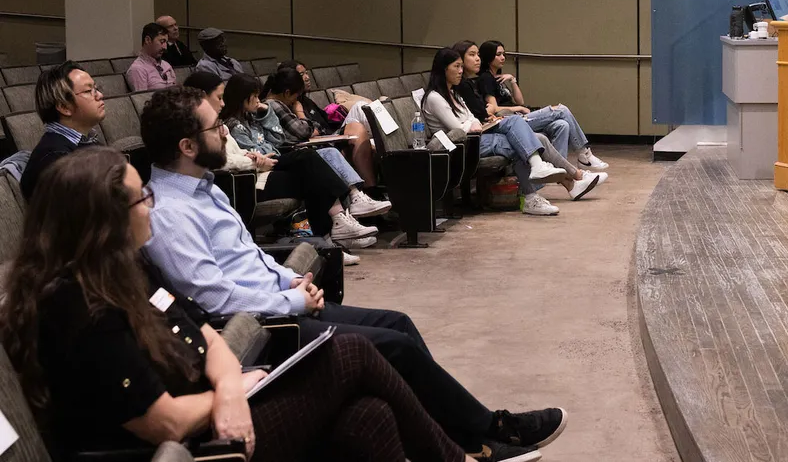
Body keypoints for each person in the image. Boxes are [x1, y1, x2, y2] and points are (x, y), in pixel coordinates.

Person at [139, 87, 566, 462]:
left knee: (397, 323)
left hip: (278, 300)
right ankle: (486, 433)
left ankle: (477, 434)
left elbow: (246, 254)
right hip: (265, 326)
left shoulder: (205, 185)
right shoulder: (169, 214)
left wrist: (286, 278)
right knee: (392, 347)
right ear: (187, 146)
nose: (226, 132)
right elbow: (215, 299)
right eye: (215, 128)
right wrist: (292, 301)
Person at [0, 146, 476, 462]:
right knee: (352, 355)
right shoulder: (79, 305)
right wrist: (225, 397)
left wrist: (230, 382)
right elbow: (159, 422)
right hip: (185, 449)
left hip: (213, 413)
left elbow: (204, 331)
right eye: (139, 197)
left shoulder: (125, 267)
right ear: (104, 219)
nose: (150, 204)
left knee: (367, 416)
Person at [183, 70, 374, 263]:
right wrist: (254, 160)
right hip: (244, 184)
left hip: (256, 172)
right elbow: (220, 160)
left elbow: (248, 147)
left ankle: (331, 238)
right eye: (219, 97)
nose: (222, 103)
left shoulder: (219, 124)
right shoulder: (201, 127)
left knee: (311, 171)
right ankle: (332, 234)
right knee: (310, 169)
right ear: (202, 97)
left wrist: (252, 154)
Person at [220, 74, 390, 237]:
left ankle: (352, 201)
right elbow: (259, 153)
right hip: (265, 166)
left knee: (328, 153)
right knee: (308, 160)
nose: (259, 101)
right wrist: (266, 147)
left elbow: (278, 138)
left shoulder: (253, 117)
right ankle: (335, 227)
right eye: (255, 97)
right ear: (243, 98)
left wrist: (267, 114)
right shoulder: (233, 125)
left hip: (274, 157)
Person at [421, 49, 574, 216]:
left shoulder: (453, 93)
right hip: (461, 146)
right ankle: (536, 191)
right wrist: (471, 123)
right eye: (456, 66)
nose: (460, 71)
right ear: (443, 69)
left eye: (460, 67)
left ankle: (537, 178)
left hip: (476, 138)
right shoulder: (435, 98)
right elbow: (457, 129)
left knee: (520, 125)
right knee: (522, 142)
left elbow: (472, 119)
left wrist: (472, 123)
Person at [451, 43, 606, 202]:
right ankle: (581, 159)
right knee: (560, 110)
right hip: (498, 124)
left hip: (504, 120)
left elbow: (515, 102)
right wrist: (505, 110)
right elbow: (485, 112)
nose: (477, 59)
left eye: (477, 54)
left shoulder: (481, 81)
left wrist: (512, 81)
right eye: (472, 55)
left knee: (561, 125)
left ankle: (562, 175)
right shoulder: (481, 80)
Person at [19, 61, 106, 200]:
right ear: (64, 107)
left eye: (97, 88)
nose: (100, 95)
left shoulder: (87, 142)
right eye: (89, 91)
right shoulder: (55, 160)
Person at [126, 22, 177, 91]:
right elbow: (141, 100)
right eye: (162, 42)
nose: (165, 47)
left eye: (166, 42)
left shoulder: (166, 65)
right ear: (148, 40)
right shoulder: (138, 69)